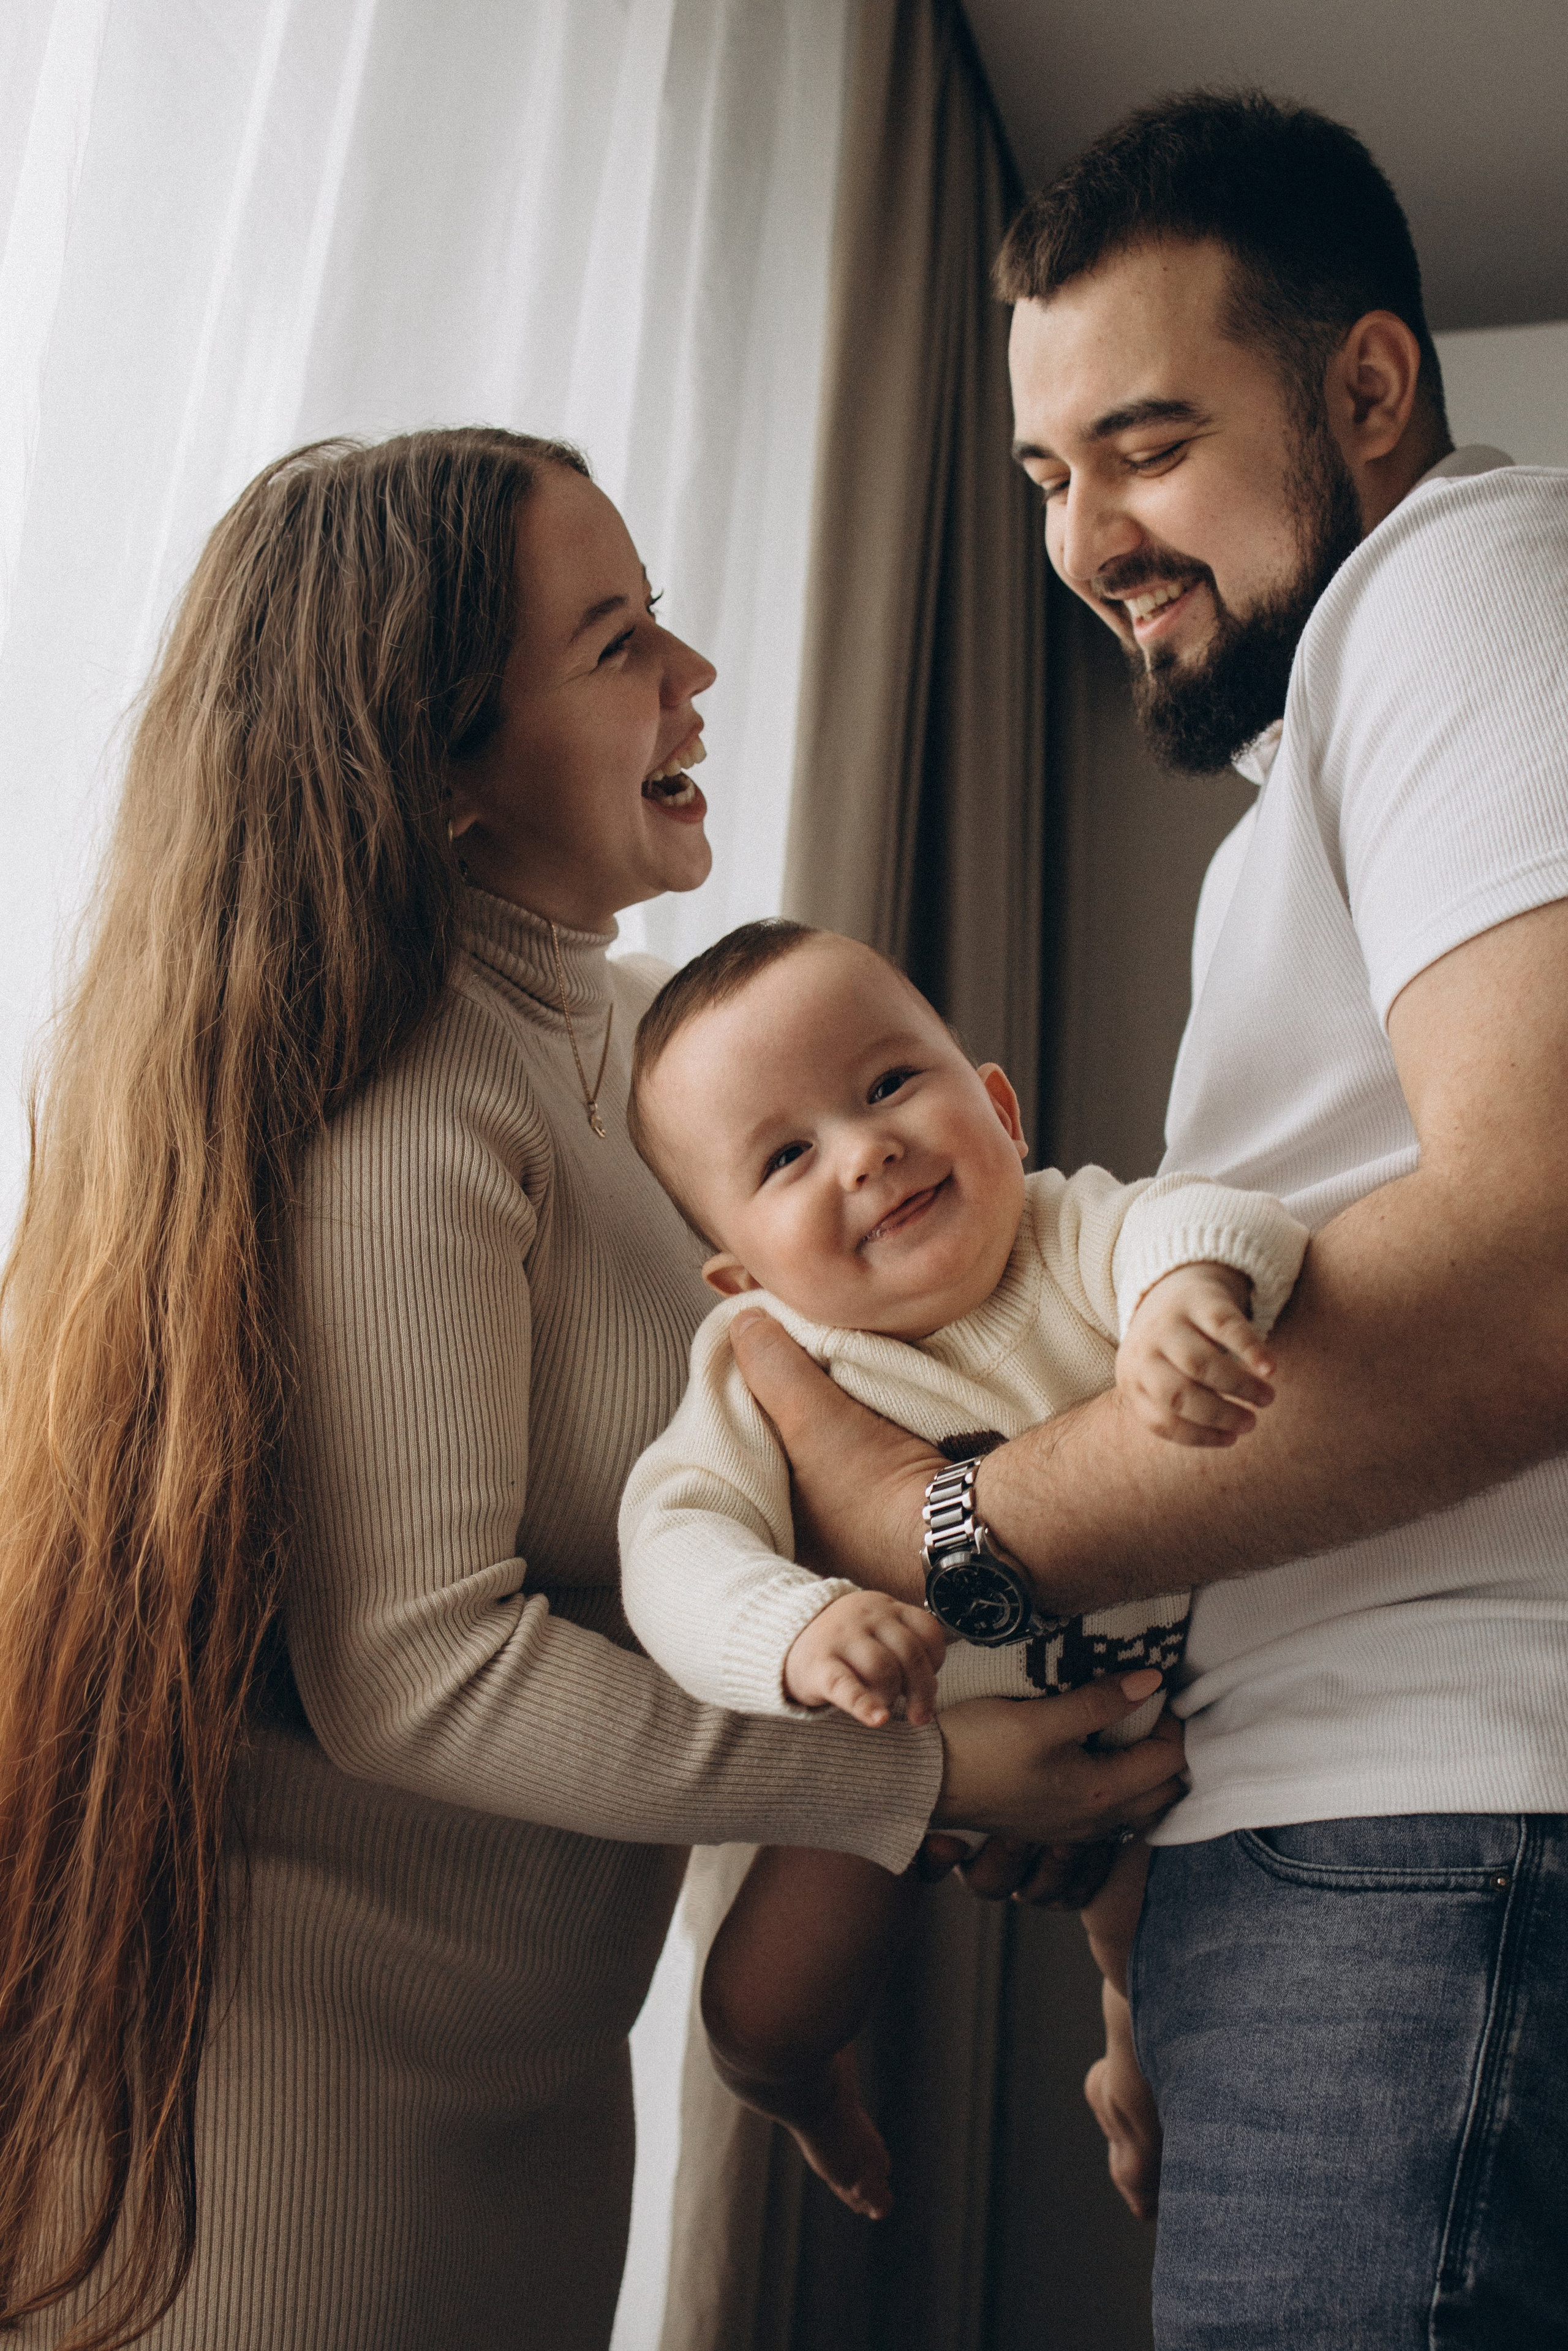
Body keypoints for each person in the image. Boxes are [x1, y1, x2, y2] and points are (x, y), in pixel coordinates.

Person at [0, 430, 1189, 2351]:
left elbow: (799, 1482)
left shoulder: (661, 1061)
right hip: (279, 2118)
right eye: (621, 636)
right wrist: (928, 1771)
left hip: (546, 2074)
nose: (694, 674)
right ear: (444, 764)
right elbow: (419, 1669)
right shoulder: (400, 1106)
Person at [722, 91, 1568, 2349]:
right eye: (1041, 477)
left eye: (1151, 444)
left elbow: (1542, 1263)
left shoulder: (1465, 587)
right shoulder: (1323, 763)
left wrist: (960, 1532)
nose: (1088, 535)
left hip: (1441, 1844)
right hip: (1362, 1870)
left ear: (1368, 388)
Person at [616, 915, 1307, 2220]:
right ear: (739, 1272)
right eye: (784, 1154)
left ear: (996, 1107)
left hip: (1159, 1733)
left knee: (1159, 1982)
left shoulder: (1073, 1235)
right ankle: (806, 2092)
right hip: (907, 1751)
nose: (864, 1149)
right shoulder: (769, 1362)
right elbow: (672, 1542)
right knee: (760, 2005)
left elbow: (1209, 1214)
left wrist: (1181, 1300)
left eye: (887, 1085)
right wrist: (795, 1627)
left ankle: (1127, 2071)